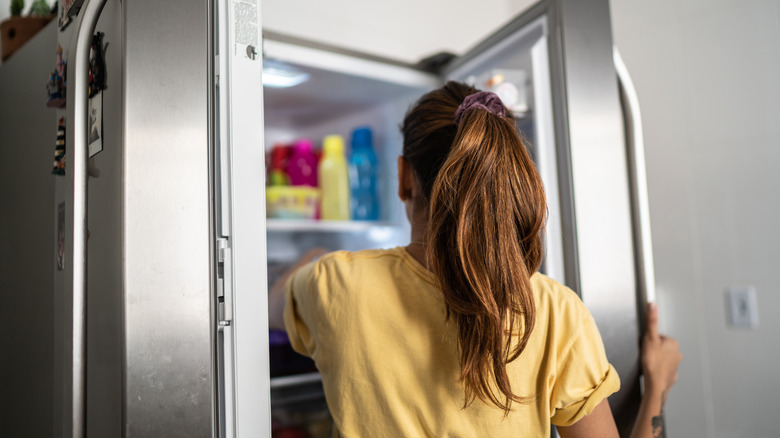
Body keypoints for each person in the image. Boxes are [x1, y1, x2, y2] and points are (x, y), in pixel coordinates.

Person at [268, 81, 681, 437]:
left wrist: (317, 257)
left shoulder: (334, 283)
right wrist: (658, 384)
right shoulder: (553, 311)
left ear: (403, 177)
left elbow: (272, 305)